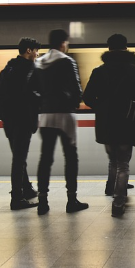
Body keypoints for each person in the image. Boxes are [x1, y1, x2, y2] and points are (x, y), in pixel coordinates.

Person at [83, 33, 135, 218]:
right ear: (126, 48)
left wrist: (102, 108)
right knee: (123, 163)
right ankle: (118, 202)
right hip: (127, 122)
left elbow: (87, 97)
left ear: (109, 48)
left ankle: (111, 187)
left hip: (106, 122)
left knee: (113, 160)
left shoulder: (99, 71)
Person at [35, 29, 88, 215]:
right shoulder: (67, 61)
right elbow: (76, 88)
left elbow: (33, 88)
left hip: (46, 116)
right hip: (65, 115)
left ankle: (42, 201)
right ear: (63, 43)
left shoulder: (39, 62)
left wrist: (43, 104)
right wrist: (74, 103)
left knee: (45, 158)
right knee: (71, 157)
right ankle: (71, 200)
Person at [0, 37, 41, 210]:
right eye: (36, 51)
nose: (37, 54)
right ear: (28, 50)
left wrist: (4, 115)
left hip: (8, 120)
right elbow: (33, 95)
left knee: (19, 156)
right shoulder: (29, 69)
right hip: (23, 119)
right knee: (19, 159)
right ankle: (16, 198)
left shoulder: (8, 69)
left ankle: (26, 189)